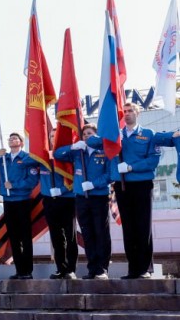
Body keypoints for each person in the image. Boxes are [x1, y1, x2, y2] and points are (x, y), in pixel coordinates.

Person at [89, 101, 161, 279]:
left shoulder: (148, 134)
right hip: (122, 186)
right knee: (128, 227)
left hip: (141, 185)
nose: (127, 114)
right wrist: (110, 134)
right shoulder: (117, 136)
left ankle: (145, 268)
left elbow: (153, 160)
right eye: (125, 111)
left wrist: (131, 167)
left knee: (143, 226)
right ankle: (133, 269)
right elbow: (93, 141)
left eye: (130, 111)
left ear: (138, 113)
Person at [0, 133, 40, 279]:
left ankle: (27, 271)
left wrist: (14, 185)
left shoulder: (27, 158)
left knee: (25, 236)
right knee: (13, 236)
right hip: (8, 201)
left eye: (15, 138)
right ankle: (19, 270)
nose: (12, 140)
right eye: (10, 138)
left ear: (21, 142)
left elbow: (32, 180)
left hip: (22, 200)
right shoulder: (3, 157)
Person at [56, 123, 110, 279]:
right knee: (87, 234)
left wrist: (94, 184)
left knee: (100, 232)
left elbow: (110, 174)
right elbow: (58, 154)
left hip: (98, 196)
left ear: (96, 135)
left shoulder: (104, 151)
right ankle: (92, 268)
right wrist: (73, 146)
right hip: (81, 197)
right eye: (84, 134)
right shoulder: (78, 151)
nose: (86, 137)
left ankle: (102, 268)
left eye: (90, 134)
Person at [40, 129, 78, 279]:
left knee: (70, 236)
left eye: (56, 135)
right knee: (56, 237)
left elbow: (75, 178)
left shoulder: (69, 155)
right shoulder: (42, 157)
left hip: (67, 198)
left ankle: (71, 269)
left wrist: (61, 190)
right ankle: (60, 268)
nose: (53, 138)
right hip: (49, 200)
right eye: (51, 136)